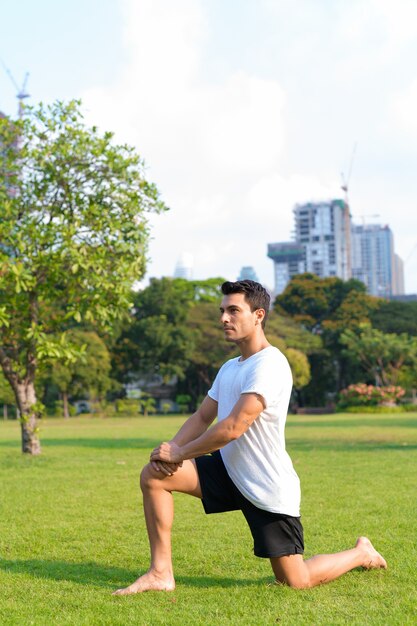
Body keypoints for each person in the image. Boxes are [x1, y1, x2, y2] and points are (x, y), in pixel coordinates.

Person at [113, 279, 387, 595]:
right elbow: (203, 417)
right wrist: (171, 450)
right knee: (155, 476)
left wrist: (180, 454)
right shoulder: (230, 368)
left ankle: (361, 553)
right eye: (222, 311)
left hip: (265, 485)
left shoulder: (270, 364)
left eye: (233, 310)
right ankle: (160, 573)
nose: (223, 319)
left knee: (295, 581)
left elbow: (233, 427)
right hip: (229, 471)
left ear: (258, 315)